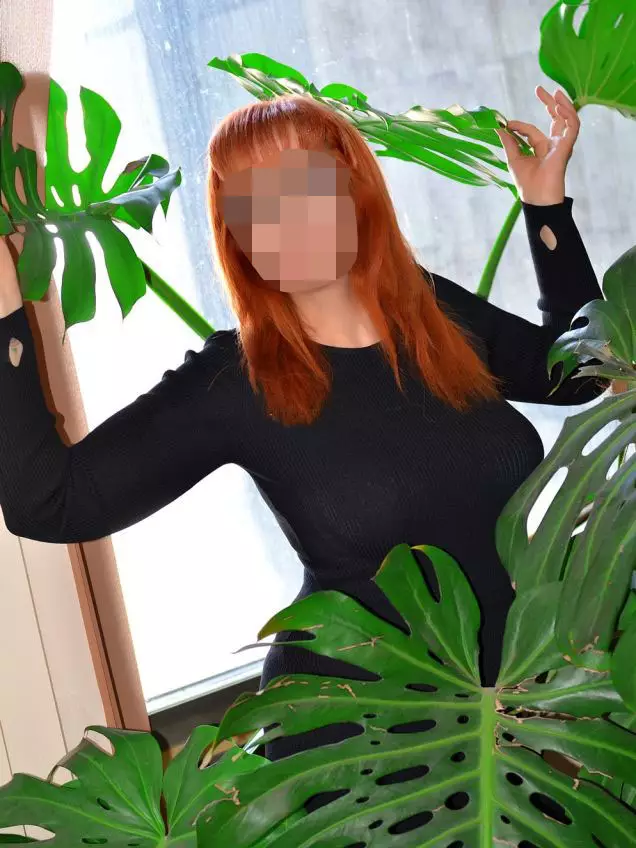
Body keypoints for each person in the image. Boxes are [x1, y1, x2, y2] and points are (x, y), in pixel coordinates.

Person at [0, 86, 609, 774]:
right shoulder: (237, 380)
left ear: (354, 196)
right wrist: (5, 313)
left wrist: (545, 204)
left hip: (503, 714)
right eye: (252, 203)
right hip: (351, 748)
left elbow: (580, 373)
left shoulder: (430, 313)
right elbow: (49, 501)